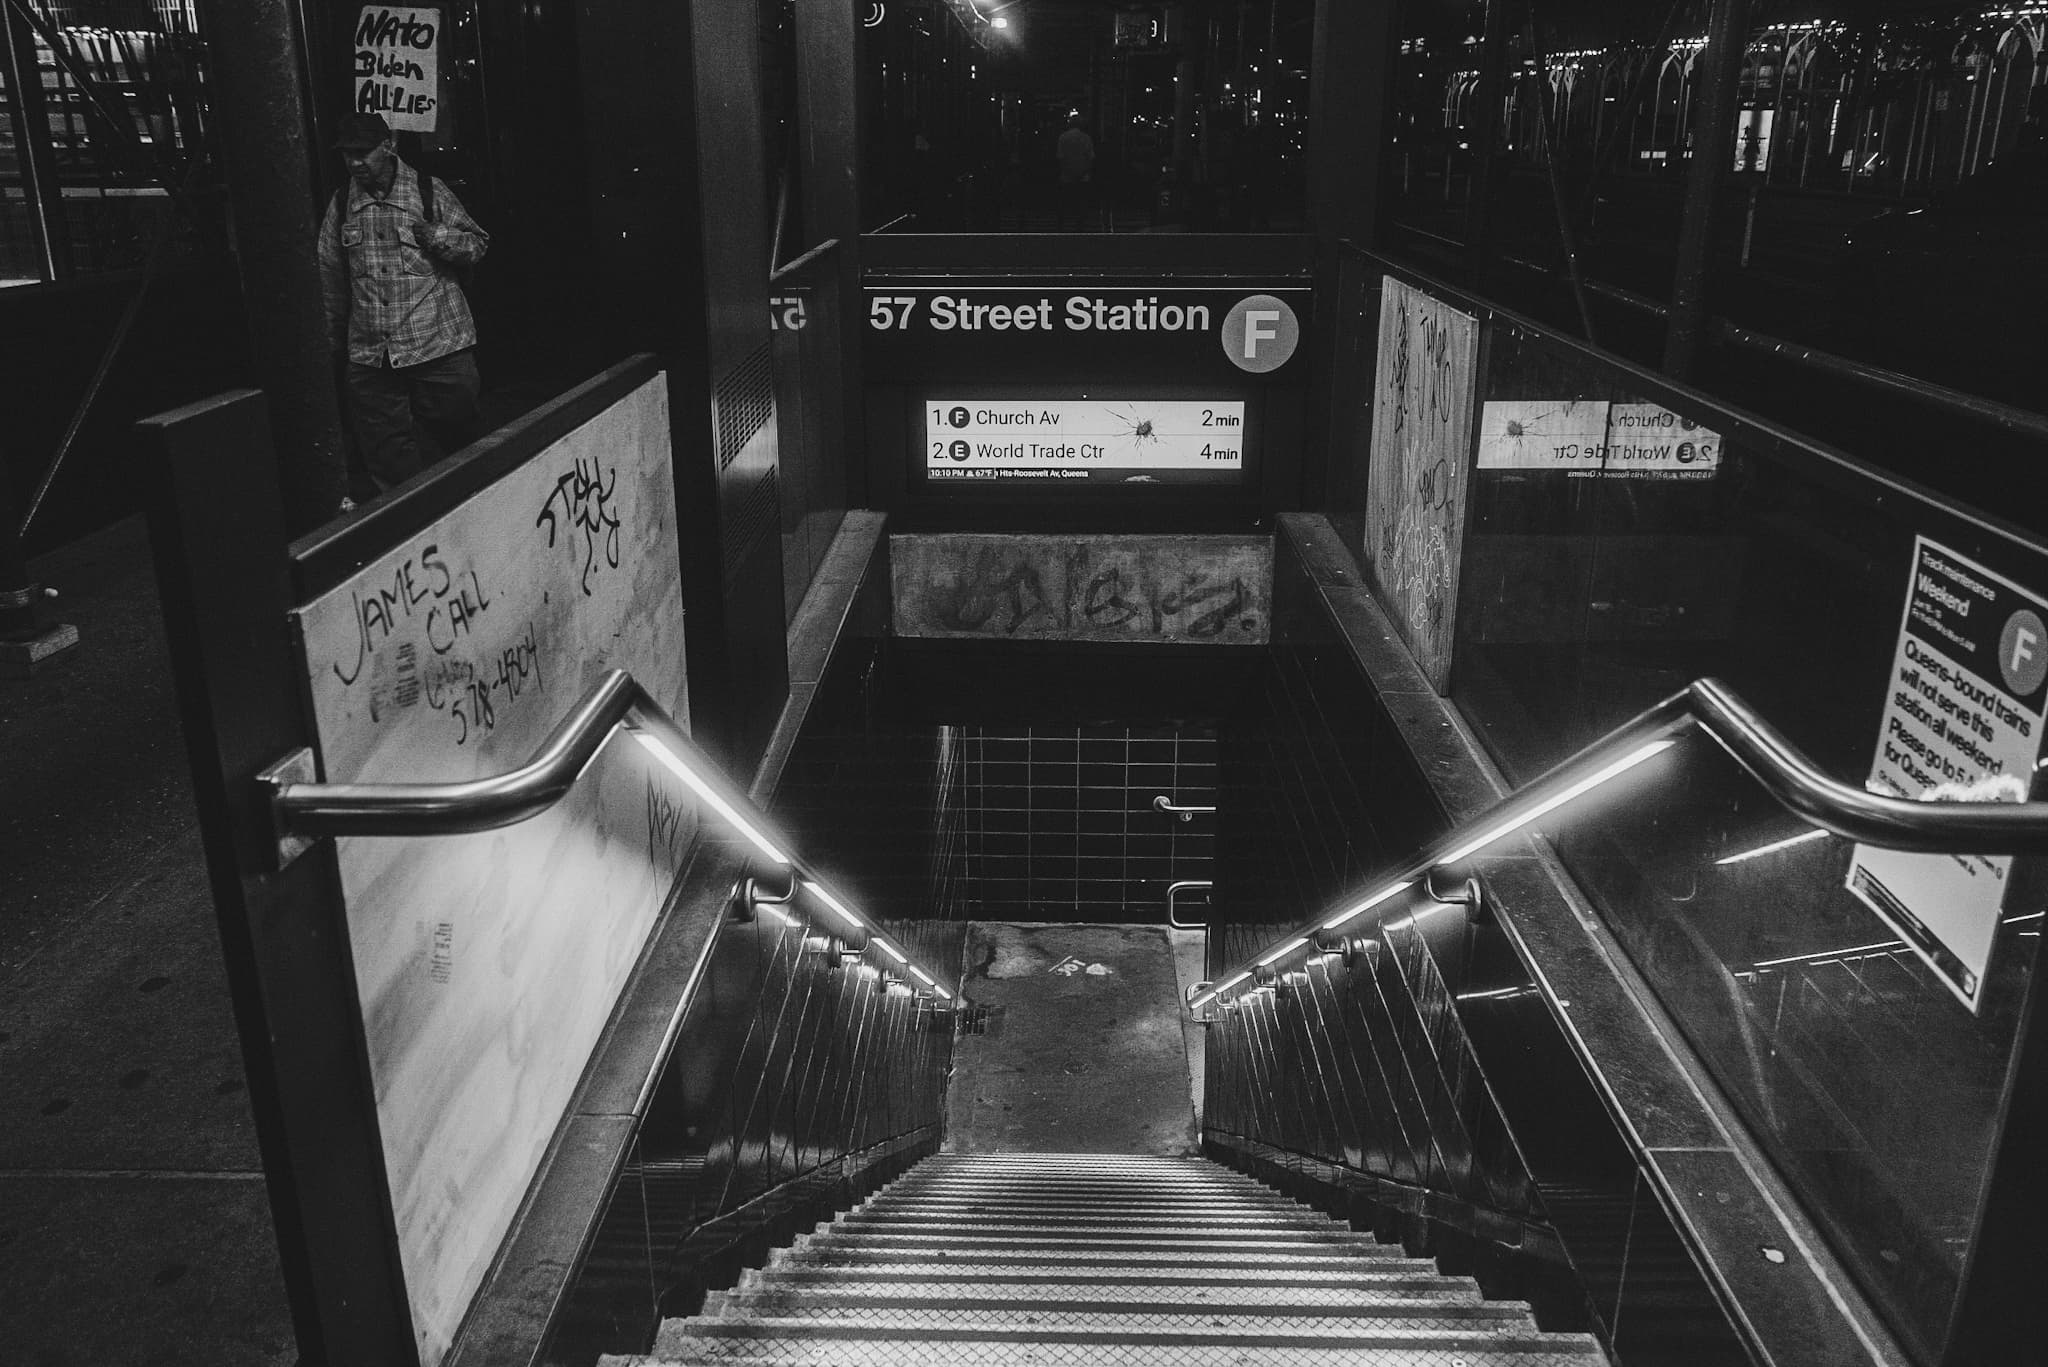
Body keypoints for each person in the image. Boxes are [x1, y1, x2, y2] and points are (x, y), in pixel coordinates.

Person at [318, 112, 490, 492]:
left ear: (388, 147)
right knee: (388, 460)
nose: (355, 163)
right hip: (372, 353)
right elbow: (330, 276)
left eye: (363, 152)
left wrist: (440, 237)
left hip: (437, 344)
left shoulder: (428, 191)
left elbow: (477, 244)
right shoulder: (343, 202)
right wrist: (334, 346)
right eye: (347, 154)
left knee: (463, 440)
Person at [1056, 114, 1096, 231]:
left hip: (1066, 176)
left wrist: (1067, 171)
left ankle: (1062, 227)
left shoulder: (1063, 137)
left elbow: (1061, 158)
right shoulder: (1086, 138)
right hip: (1083, 176)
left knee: (1064, 203)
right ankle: (1079, 227)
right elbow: (1090, 158)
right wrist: (1083, 172)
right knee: (1081, 204)